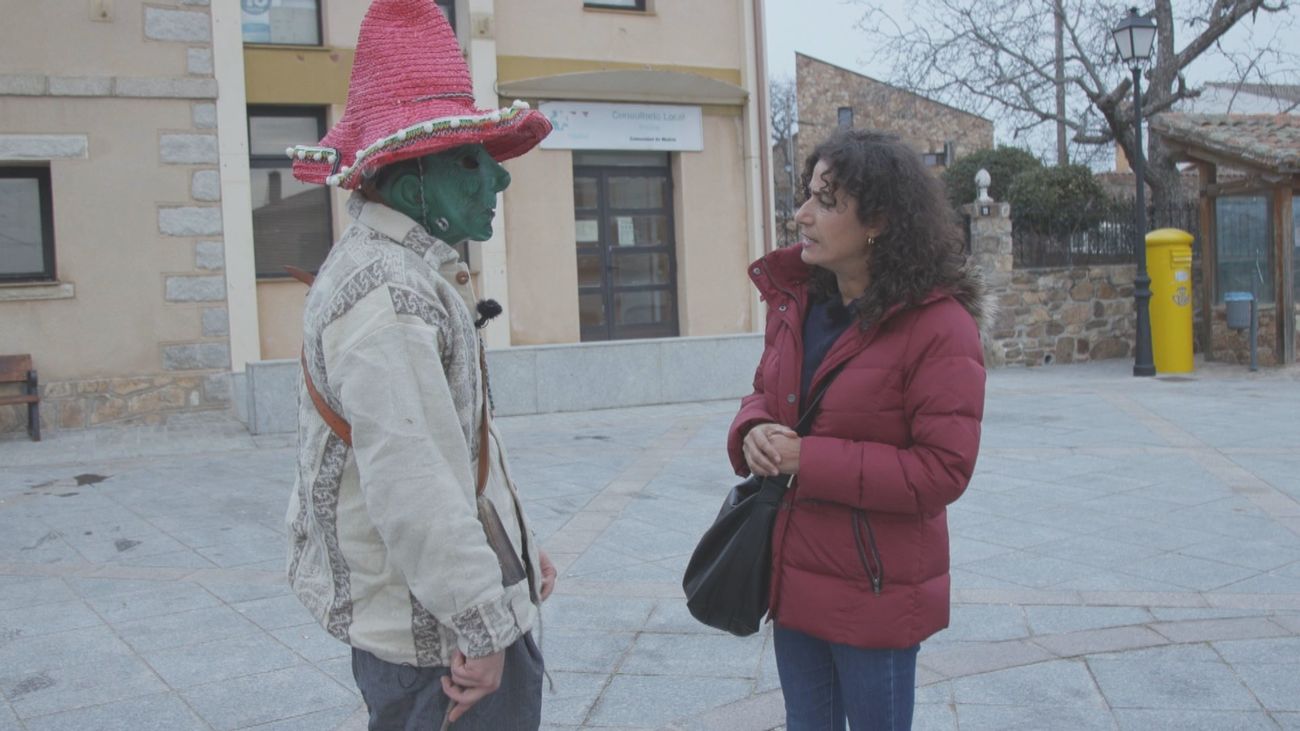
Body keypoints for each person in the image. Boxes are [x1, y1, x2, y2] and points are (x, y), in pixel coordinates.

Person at [283, 1, 557, 728]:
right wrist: (480, 623)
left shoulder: (405, 272)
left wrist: (518, 555)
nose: (496, 183)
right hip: (437, 648)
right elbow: (413, 481)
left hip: (436, 625)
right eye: (471, 162)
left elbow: (453, 445)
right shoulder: (387, 296)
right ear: (409, 186)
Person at [726, 129, 987, 730]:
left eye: (827, 201)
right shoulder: (799, 304)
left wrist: (806, 459)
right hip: (794, 577)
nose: (803, 214)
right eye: (808, 194)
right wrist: (752, 433)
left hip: (877, 591)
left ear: (879, 221)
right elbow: (764, 396)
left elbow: (942, 470)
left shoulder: (939, 328)